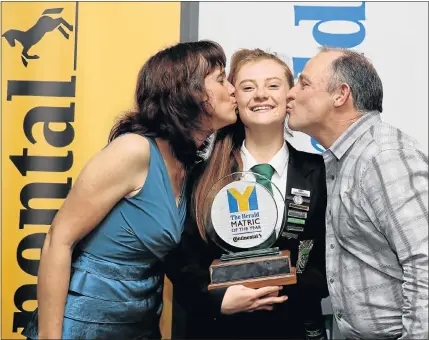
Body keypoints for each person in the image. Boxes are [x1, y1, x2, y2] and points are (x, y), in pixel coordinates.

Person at [21, 40, 238, 340]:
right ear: (187, 91)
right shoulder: (133, 150)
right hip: (81, 327)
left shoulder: (186, 165)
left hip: (137, 326)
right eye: (221, 80)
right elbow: (58, 240)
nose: (233, 90)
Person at [166, 48, 329, 339]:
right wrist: (216, 299)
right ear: (234, 99)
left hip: (295, 328)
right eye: (248, 87)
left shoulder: (322, 173)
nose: (261, 94)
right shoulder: (201, 174)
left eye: (273, 85)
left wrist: (287, 283)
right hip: (217, 330)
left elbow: (334, 260)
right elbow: (180, 258)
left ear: (290, 95)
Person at [286, 46, 428, 339]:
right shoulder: (344, 159)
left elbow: (424, 260)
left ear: (340, 95)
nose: (290, 93)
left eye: (304, 83)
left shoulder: (383, 156)